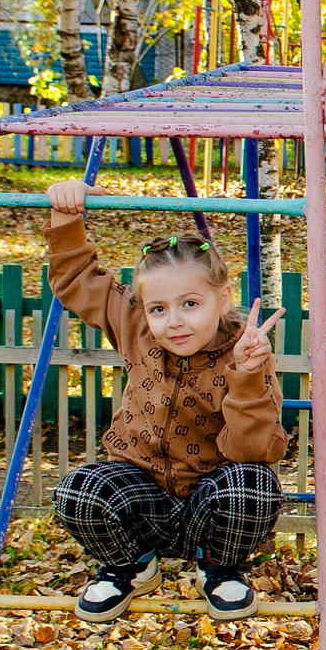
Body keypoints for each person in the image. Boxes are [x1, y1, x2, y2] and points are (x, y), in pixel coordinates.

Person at [44, 181, 290, 625]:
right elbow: (78, 281)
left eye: (190, 304)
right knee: (77, 492)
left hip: (212, 506)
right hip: (142, 498)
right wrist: (66, 217)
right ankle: (131, 565)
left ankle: (218, 567)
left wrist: (247, 375)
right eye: (158, 308)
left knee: (255, 485)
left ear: (223, 297)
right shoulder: (136, 327)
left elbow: (254, 452)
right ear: (143, 308)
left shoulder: (246, 350)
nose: (174, 322)